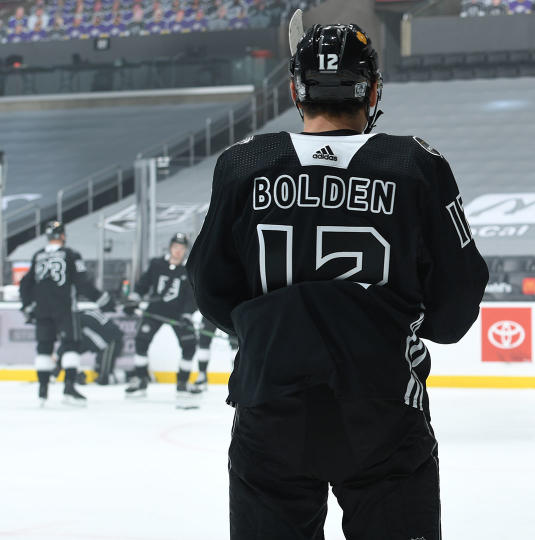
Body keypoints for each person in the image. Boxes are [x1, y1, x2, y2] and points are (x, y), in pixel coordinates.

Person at [187, 21, 488, 539]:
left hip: (271, 402)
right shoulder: (414, 164)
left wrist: (272, 329)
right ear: (371, 91)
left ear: (294, 91)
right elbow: (457, 300)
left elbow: (210, 285)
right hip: (384, 403)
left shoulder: (244, 163)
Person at [19, 221, 114, 406]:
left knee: (44, 348)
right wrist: (104, 300)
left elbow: (25, 284)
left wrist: (27, 306)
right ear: (62, 236)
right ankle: (69, 389)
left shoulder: (38, 255)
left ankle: (42, 391)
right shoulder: (70, 254)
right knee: (71, 345)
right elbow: (83, 283)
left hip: (42, 310)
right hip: (65, 309)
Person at [124, 233, 199, 409]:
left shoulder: (189, 269)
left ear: (185, 250)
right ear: (170, 247)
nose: (178, 251)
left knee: (189, 345)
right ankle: (140, 379)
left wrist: (188, 315)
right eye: (175, 247)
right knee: (141, 341)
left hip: (179, 314)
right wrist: (133, 299)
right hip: (155, 311)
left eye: (182, 248)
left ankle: (182, 382)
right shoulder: (157, 264)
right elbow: (143, 284)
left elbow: (193, 297)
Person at [58, 308, 125, 385]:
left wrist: (58, 354)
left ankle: (107, 377)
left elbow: (70, 340)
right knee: (100, 367)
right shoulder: (88, 313)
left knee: (103, 375)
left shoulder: (78, 318)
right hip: (109, 339)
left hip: (111, 340)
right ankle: (75, 374)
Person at [190, 316, 238, 393]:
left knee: (236, 343)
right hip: (210, 310)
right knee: (203, 341)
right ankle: (202, 376)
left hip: (231, 311)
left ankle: (238, 377)